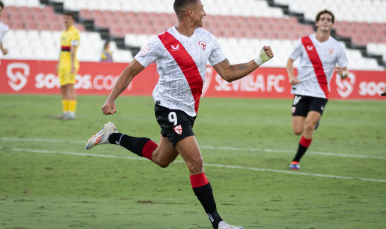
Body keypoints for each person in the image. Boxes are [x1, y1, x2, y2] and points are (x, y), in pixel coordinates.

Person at [85, 0, 273, 228]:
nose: (205, 12)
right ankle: (219, 223)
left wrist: (259, 60)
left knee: (160, 158)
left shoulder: (208, 39)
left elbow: (228, 73)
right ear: (190, 12)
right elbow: (130, 70)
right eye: (202, 8)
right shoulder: (161, 41)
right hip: (168, 108)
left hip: (189, 111)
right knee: (196, 162)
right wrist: (111, 98)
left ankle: (112, 136)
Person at [286, 9, 348, 170]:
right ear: (317, 22)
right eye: (322, 19)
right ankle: (313, 121)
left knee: (309, 126)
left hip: (320, 92)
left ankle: (296, 160)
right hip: (301, 90)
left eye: (328, 19)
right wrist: (291, 76)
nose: (325, 21)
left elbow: (345, 71)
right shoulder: (304, 41)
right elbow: (290, 60)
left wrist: (343, 74)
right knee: (297, 130)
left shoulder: (337, 47)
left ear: (332, 24)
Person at [55, 12, 80, 120]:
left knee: (70, 88)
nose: (66, 20)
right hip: (62, 64)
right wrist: (58, 63)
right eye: (65, 18)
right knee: (63, 88)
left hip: (70, 64)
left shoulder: (75, 33)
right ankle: (66, 112)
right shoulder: (64, 33)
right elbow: (62, 50)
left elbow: (73, 50)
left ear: (73, 20)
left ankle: (72, 113)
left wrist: (73, 65)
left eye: (68, 18)